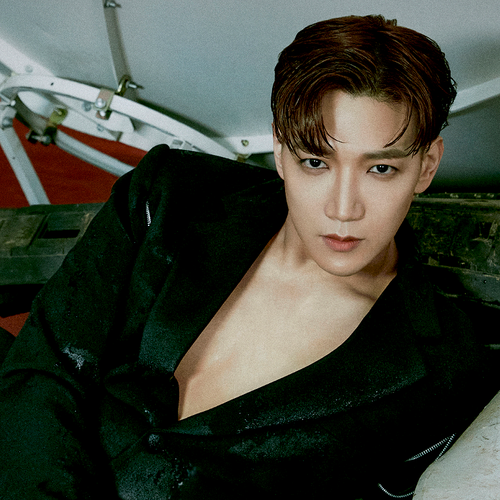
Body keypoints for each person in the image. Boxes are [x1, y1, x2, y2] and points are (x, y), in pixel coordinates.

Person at [0, 14, 497, 500]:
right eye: (315, 162)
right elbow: (46, 370)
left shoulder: (445, 372)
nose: (344, 209)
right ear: (280, 149)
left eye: (381, 168)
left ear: (427, 165)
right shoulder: (168, 197)